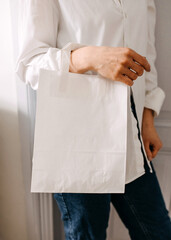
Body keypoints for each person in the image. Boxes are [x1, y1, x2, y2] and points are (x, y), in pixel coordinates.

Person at [15, 0, 171, 239]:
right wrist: (90, 57)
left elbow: (146, 53)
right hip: (79, 144)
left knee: (159, 232)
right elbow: (29, 64)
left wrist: (148, 118)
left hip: (133, 139)